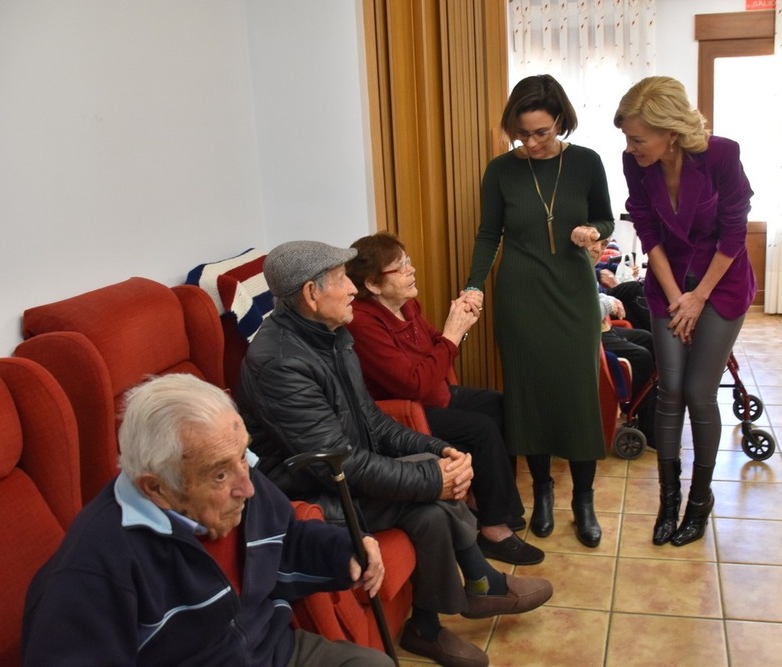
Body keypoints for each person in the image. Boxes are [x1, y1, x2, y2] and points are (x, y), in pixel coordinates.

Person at [238, 240, 553, 667]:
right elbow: (338, 464)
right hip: (309, 494)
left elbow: (372, 420)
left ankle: (433, 622)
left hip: (345, 473)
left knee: (430, 497)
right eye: (342, 281)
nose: (353, 290)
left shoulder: (333, 334)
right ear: (312, 295)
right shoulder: (279, 363)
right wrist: (436, 477)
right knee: (431, 497)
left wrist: (439, 447)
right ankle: (480, 585)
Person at [22, 373, 394, 667]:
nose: (247, 487)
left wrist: (344, 548)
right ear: (157, 488)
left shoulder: (241, 479)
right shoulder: (92, 568)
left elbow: (287, 539)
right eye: (219, 475)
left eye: (243, 454)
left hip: (274, 652)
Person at [463, 74, 615, 548]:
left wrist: (592, 232)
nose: (530, 142)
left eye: (541, 132)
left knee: (577, 395)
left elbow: (606, 217)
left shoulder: (586, 162)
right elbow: (490, 234)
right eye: (522, 133)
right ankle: (544, 493)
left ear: (560, 122)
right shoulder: (501, 170)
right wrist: (474, 286)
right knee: (529, 398)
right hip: (519, 295)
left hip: (572, 294)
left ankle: (583, 500)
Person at [614, 76, 756, 547]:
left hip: (722, 283)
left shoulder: (721, 156)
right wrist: (678, 296)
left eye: (638, 138)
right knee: (670, 386)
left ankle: (700, 499)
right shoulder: (637, 164)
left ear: (670, 132)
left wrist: (699, 298)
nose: (631, 148)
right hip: (669, 284)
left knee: (699, 390)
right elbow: (649, 234)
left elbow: (734, 235)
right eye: (627, 139)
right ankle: (668, 500)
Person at [344, 232, 541, 566]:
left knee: (505, 407)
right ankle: (494, 530)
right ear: (374, 284)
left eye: (407, 261)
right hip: (404, 414)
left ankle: (492, 505)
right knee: (480, 430)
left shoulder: (407, 304)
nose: (412, 270)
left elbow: (436, 345)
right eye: (400, 267)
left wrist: (456, 328)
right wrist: (452, 334)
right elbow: (414, 383)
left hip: (438, 394)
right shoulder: (363, 323)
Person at [589, 238, 657, 448]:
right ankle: (639, 417)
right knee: (642, 356)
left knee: (650, 340)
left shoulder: (588, 266)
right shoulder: (576, 267)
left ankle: (653, 412)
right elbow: (585, 313)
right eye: (596, 244)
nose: (599, 249)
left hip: (603, 327)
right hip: (592, 333)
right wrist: (609, 301)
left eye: (603, 244)